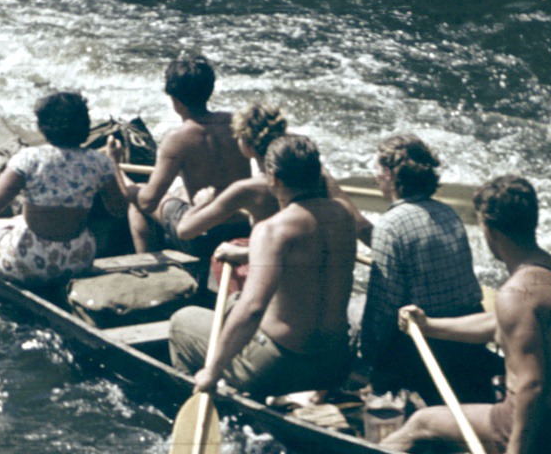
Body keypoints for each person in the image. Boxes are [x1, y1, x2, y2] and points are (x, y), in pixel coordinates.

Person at [382, 174, 551, 454]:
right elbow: (500, 325)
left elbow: (530, 384)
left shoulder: (514, 293)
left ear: (489, 229)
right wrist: (427, 327)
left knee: (422, 421)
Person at [169, 135, 355, 398]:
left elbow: (254, 308)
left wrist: (212, 371)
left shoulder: (273, 230)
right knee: (233, 300)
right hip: (335, 362)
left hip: (280, 366)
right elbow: (309, 257)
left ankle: (201, 400)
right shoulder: (344, 215)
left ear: (273, 178)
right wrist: (247, 254)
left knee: (182, 321)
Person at [357, 134, 498, 407]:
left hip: (427, 346)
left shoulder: (390, 225)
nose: (375, 177)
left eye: (377, 170)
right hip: (467, 340)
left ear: (389, 174)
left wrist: (371, 363)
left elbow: (382, 309)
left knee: (355, 321)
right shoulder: (449, 214)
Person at [0, 91, 121, 286]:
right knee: (18, 220)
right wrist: (114, 164)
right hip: (79, 259)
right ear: (85, 125)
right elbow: (118, 208)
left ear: (42, 127)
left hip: (33, 261)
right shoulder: (101, 162)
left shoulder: (29, 158)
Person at [105, 54, 250, 253]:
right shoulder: (237, 123)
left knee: (138, 198)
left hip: (203, 235)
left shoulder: (177, 140)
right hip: (245, 226)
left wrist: (114, 165)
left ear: (175, 100)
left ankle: (151, 271)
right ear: (210, 90)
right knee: (178, 193)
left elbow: (147, 202)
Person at [174, 101, 372, 247]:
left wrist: (204, 201)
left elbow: (185, 231)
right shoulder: (316, 172)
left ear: (247, 146)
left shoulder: (247, 190)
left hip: (271, 261)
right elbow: (361, 226)